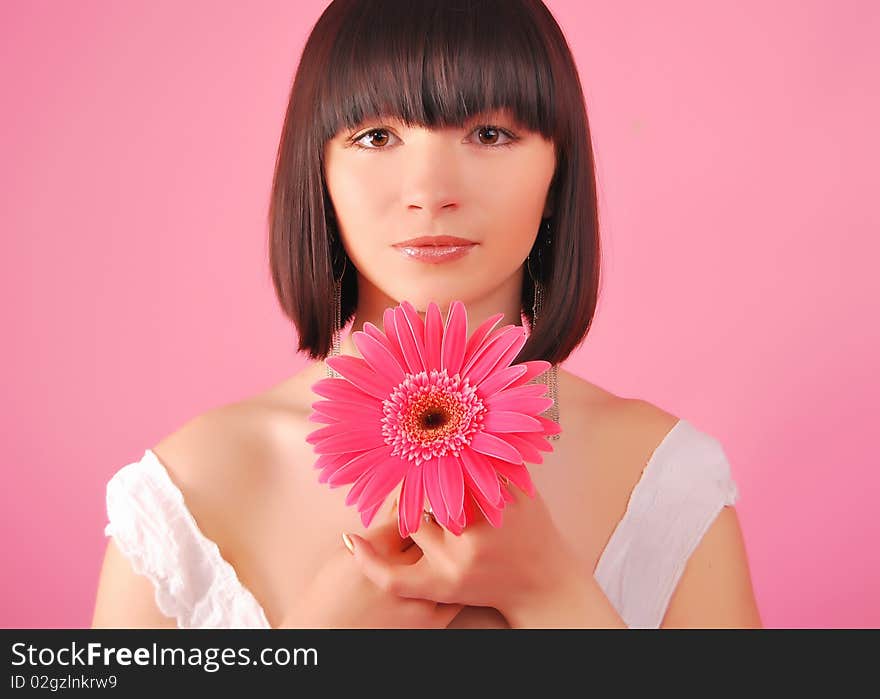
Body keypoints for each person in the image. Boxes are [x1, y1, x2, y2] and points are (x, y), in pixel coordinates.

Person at [91, 0, 762, 629]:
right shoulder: (187, 491)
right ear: (317, 170)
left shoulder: (665, 479)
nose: (430, 191)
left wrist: (551, 591)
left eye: (490, 133)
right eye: (377, 136)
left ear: (559, 174)